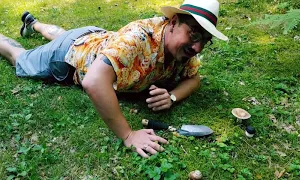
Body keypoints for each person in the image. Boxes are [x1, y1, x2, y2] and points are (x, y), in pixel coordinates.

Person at [0, 0, 228, 158]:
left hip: (95, 37)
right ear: (174, 22)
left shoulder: (183, 49)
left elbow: (194, 78)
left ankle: (34, 23)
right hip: (67, 56)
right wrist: (128, 134)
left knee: (62, 34)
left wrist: (172, 96)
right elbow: (94, 82)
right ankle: (23, 29)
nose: (197, 47)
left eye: (205, 40)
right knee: (19, 58)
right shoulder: (137, 38)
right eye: (194, 34)